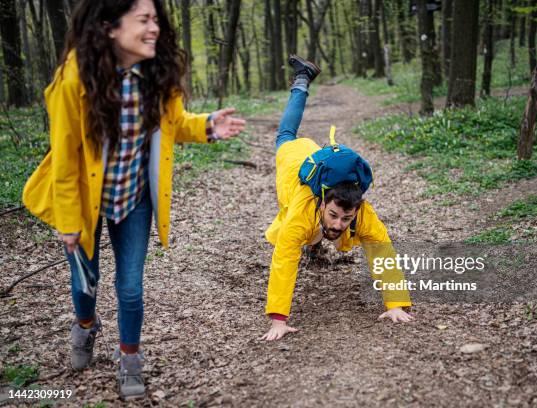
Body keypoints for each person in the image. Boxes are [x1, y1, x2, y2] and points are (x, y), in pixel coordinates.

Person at [22, 0, 245, 399]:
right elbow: (66, 161)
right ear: (110, 28)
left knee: (130, 288)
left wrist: (208, 125)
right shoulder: (73, 80)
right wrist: (69, 222)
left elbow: (175, 124)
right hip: (84, 201)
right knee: (84, 283)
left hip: (134, 197)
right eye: (143, 20)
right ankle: (86, 326)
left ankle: (129, 358)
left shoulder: (157, 74)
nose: (153, 28)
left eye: (155, 19)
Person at [260, 56, 412, 342]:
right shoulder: (302, 212)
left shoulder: (362, 213)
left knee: (323, 232)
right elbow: (284, 259)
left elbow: (382, 252)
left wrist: (395, 304)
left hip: (321, 171)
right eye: (333, 215)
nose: (340, 223)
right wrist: (278, 320)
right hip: (294, 162)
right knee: (286, 135)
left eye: (346, 218)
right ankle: (301, 82)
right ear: (321, 203)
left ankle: (316, 244)